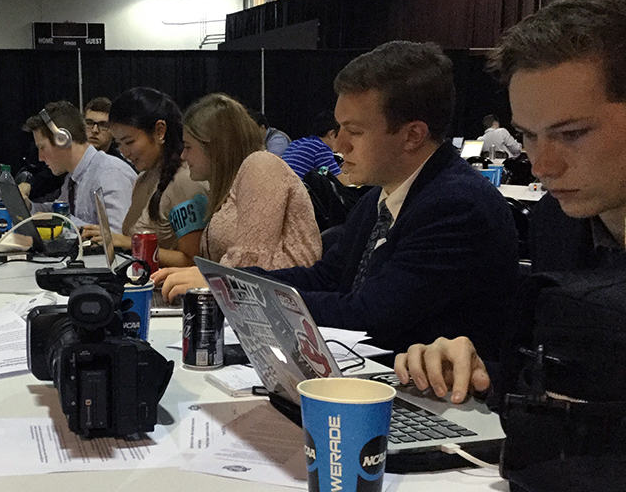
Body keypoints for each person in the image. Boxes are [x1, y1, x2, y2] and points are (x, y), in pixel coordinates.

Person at [156, 43, 519, 356]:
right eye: (339, 127)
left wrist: (234, 292)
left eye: (355, 131)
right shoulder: (381, 196)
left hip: (442, 406)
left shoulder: (456, 206)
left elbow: (370, 314)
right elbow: (326, 276)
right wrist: (228, 281)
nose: (339, 144)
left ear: (412, 135)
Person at [395, 0, 626, 403]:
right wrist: (480, 371)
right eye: (528, 135)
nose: (542, 165)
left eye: (572, 134)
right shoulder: (556, 223)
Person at [150, 93, 321, 276]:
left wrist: (201, 278)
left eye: (189, 146)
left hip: (280, 300)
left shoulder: (261, 165)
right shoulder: (228, 187)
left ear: (215, 146)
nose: (183, 155)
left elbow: (251, 268)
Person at [80, 88, 209, 267]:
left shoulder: (186, 181)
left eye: (129, 142)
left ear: (159, 131)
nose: (124, 152)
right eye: (119, 144)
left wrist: (127, 242)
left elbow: (193, 261)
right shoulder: (143, 179)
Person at [23, 101, 137, 232]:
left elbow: (117, 236)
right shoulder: (74, 177)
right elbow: (59, 210)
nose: (40, 157)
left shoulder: (110, 173)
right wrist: (29, 207)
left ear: (62, 140)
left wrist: (61, 220)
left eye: (42, 147)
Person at [281, 111, 351, 184]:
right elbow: (343, 182)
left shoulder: (295, 143)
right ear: (331, 134)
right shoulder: (321, 148)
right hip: (298, 193)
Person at [83, 97, 131, 167]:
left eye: (103, 125)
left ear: (114, 130)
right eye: (89, 123)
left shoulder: (122, 168)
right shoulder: (69, 161)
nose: (94, 130)